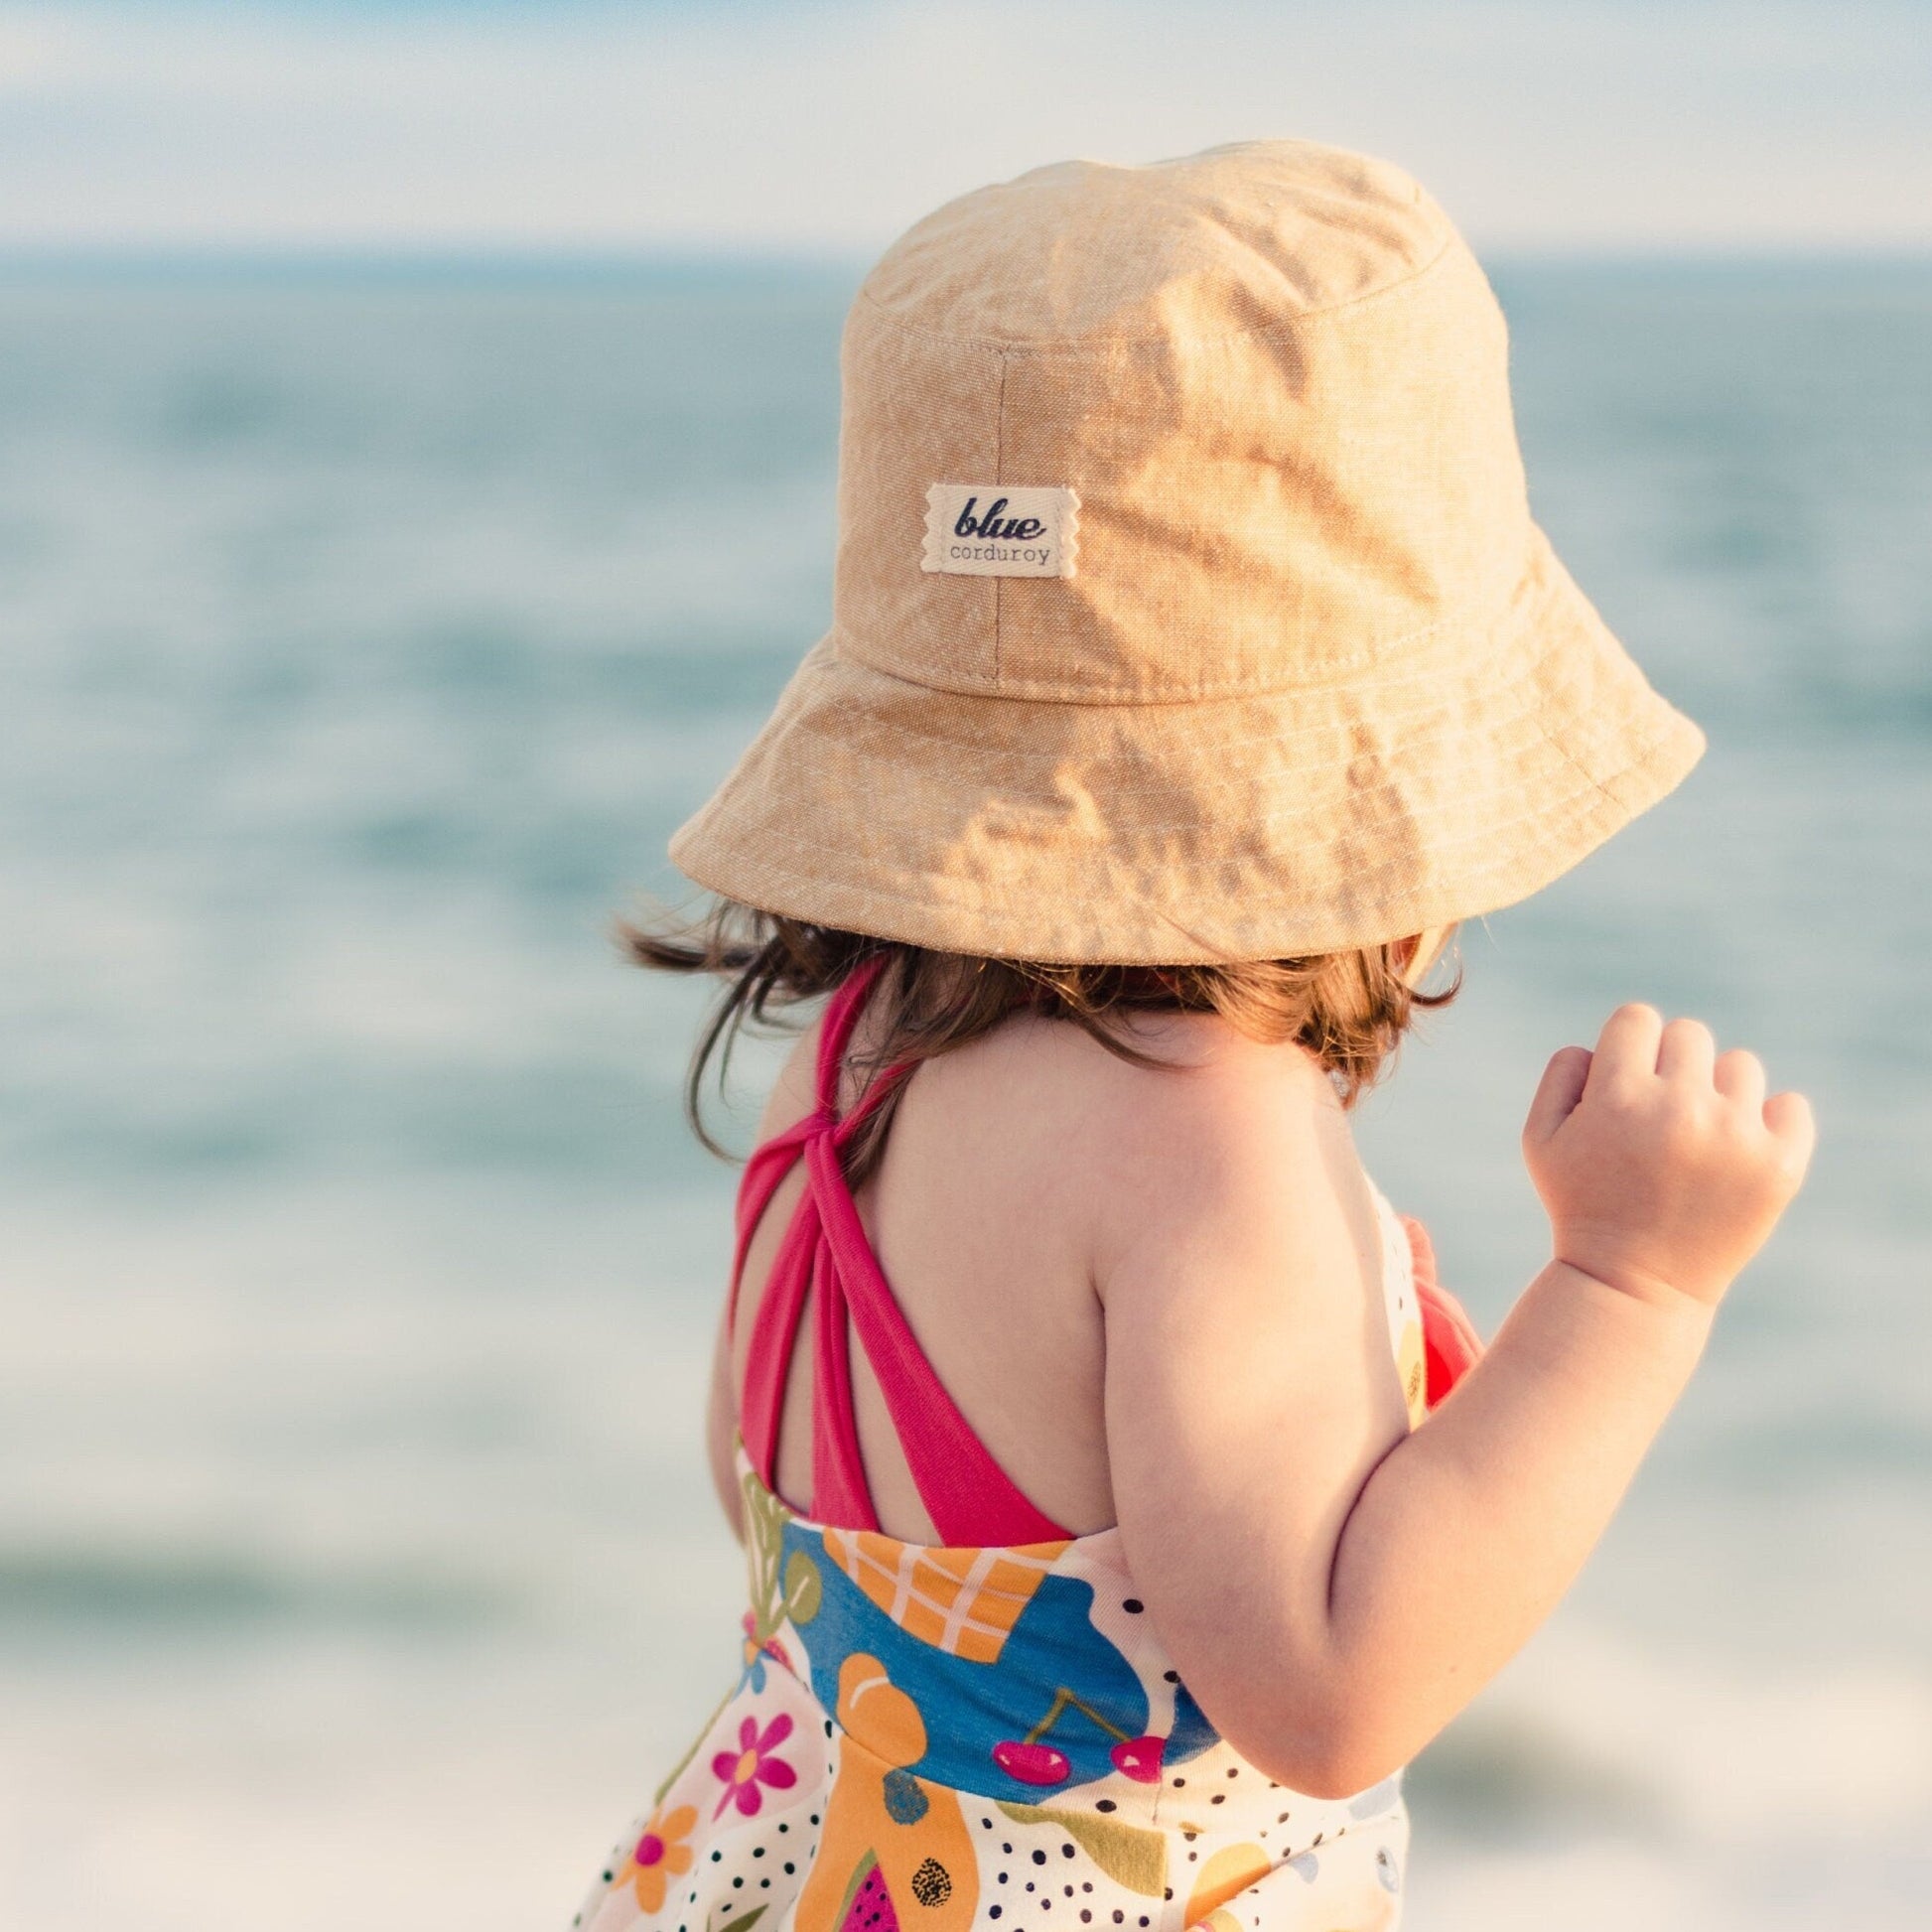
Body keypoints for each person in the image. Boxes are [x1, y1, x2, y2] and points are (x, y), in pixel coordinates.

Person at [569, 140, 1814, 1932]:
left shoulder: (845, 1059)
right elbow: (1328, 1687)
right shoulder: (1207, 1134)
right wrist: (1632, 1286)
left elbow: (762, 1494)